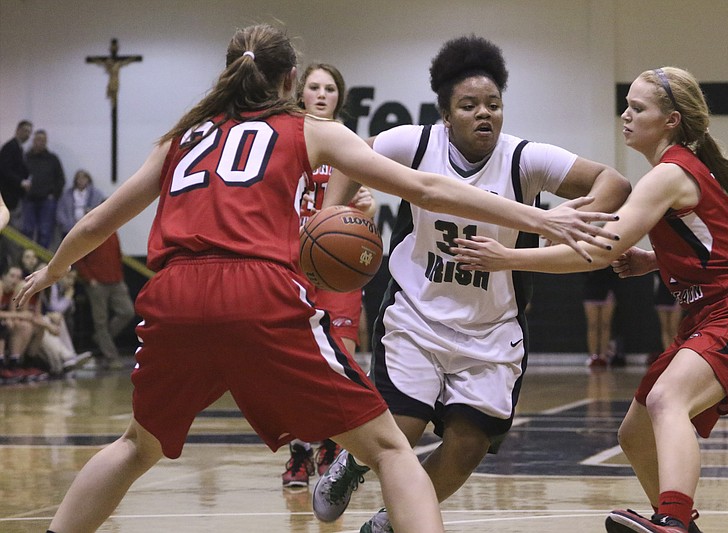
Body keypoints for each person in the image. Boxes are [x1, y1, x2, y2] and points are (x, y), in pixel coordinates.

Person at [14, 23, 619, 533]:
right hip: (257, 289)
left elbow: (102, 217)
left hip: (172, 293)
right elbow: (430, 187)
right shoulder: (309, 130)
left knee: (134, 446)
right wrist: (543, 219)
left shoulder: (183, 136)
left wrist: (53, 268)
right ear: (287, 83)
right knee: (386, 449)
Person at [312, 35, 631, 532]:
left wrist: (566, 217)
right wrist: (332, 213)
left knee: (469, 445)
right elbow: (349, 157)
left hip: (491, 327)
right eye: (469, 105)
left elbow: (613, 182)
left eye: (494, 104)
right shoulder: (413, 143)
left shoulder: (524, 158)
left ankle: (393, 520)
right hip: (416, 312)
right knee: (403, 428)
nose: (485, 113)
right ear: (445, 114)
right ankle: (350, 464)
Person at [450, 66, 728, 533]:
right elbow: (712, 244)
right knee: (635, 434)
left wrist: (508, 257)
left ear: (670, 120)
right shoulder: (673, 171)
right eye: (625, 105)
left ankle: (674, 520)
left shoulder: (669, 173)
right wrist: (654, 260)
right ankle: (681, 523)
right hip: (708, 315)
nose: (624, 115)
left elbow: (599, 251)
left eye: (637, 108)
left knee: (668, 399)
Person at [281, 63, 377, 488]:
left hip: (336, 268)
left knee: (343, 359)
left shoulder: (347, 143)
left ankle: (334, 443)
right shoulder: (286, 136)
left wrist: (366, 209)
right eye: (314, 87)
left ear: (341, 97)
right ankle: (300, 452)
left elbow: (363, 201)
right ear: (301, 92)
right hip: (290, 265)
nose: (321, 94)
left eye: (330, 88)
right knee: (295, 367)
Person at [73, 231, 135, 370]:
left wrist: (120, 276)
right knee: (100, 321)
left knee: (127, 312)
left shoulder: (113, 232)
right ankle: (111, 357)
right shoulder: (87, 233)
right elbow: (79, 258)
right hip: (97, 284)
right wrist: (90, 279)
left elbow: (117, 253)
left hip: (116, 280)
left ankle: (101, 339)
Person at [22, 129, 65, 248]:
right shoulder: (25, 158)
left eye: (43, 140)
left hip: (47, 201)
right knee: (27, 230)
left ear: (46, 142)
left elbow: (60, 179)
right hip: (28, 200)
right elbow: (18, 177)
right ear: (33, 141)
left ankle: (41, 261)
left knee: (45, 232)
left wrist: (54, 195)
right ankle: (27, 259)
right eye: (38, 140)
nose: (40, 143)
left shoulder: (52, 159)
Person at [583, 266, 621, 367]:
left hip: (607, 290)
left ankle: (604, 355)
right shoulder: (588, 256)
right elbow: (582, 271)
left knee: (605, 325)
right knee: (592, 325)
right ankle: (593, 356)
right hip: (591, 290)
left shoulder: (609, 256)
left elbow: (615, 273)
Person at [56, 169, 106, 235]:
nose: (81, 181)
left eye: (84, 178)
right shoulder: (67, 195)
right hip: (69, 228)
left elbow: (102, 209)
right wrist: (67, 224)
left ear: (88, 180)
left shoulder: (96, 194)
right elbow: (60, 212)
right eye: (79, 178)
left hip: (89, 227)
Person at [0, 120, 32, 214]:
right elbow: (5, 169)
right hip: (8, 193)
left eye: (29, 132)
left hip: (14, 194)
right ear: (18, 130)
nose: (27, 134)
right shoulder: (10, 147)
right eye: (25, 131)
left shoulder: (19, 147)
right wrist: (21, 182)